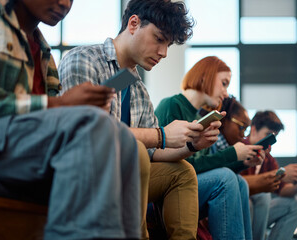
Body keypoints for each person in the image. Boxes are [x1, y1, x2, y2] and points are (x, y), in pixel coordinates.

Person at [0, 0, 144, 239]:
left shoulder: (43, 50)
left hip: (19, 146)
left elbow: (48, 120)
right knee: (92, 125)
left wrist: (77, 106)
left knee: (124, 140)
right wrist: (61, 104)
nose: (65, 3)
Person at [58, 1, 223, 239]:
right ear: (133, 24)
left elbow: (153, 152)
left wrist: (192, 145)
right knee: (133, 148)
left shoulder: (134, 85)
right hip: (84, 171)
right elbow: (89, 131)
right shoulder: (84, 60)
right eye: (159, 39)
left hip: (125, 175)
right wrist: (162, 135)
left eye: (168, 44)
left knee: (182, 172)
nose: (164, 52)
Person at [155, 56, 264, 240]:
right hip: (169, 187)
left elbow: (202, 167)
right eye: (224, 83)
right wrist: (232, 154)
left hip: (190, 183)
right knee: (227, 179)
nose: (226, 93)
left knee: (240, 182)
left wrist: (241, 162)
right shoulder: (171, 105)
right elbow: (185, 165)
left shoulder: (198, 116)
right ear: (206, 76)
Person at [241, 111, 297, 240]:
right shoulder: (241, 148)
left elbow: (283, 190)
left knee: (296, 204)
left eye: (274, 137)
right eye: (268, 135)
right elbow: (238, 184)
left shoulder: (268, 159)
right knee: (262, 197)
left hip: (259, 214)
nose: (271, 141)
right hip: (241, 209)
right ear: (254, 129)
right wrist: (281, 174)